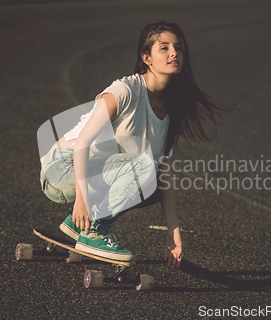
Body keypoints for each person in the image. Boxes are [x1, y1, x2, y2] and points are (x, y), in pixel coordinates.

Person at [39, 21, 223, 271]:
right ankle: (94, 231)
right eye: (164, 48)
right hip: (62, 168)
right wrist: (81, 201)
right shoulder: (124, 91)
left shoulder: (171, 111)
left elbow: (165, 173)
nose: (174, 53)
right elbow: (82, 143)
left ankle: (77, 225)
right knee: (143, 164)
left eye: (178, 48)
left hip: (94, 174)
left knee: (154, 180)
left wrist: (173, 231)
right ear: (147, 58)